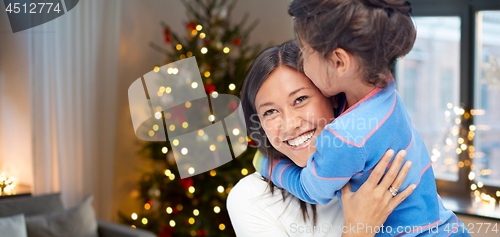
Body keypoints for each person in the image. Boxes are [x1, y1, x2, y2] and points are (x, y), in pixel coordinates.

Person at [252, 0, 470, 236]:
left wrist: (267, 164)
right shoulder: (387, 90)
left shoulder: (344, 137)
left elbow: (311, 189)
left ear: (338, 61)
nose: (302, 63)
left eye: (305, 53)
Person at [228, 41, 414, 237]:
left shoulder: (375, 162)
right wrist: (358, 231)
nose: (290, 124)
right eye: (270, 111)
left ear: (332, 96)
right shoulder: (250, 198)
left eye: (300, 99)